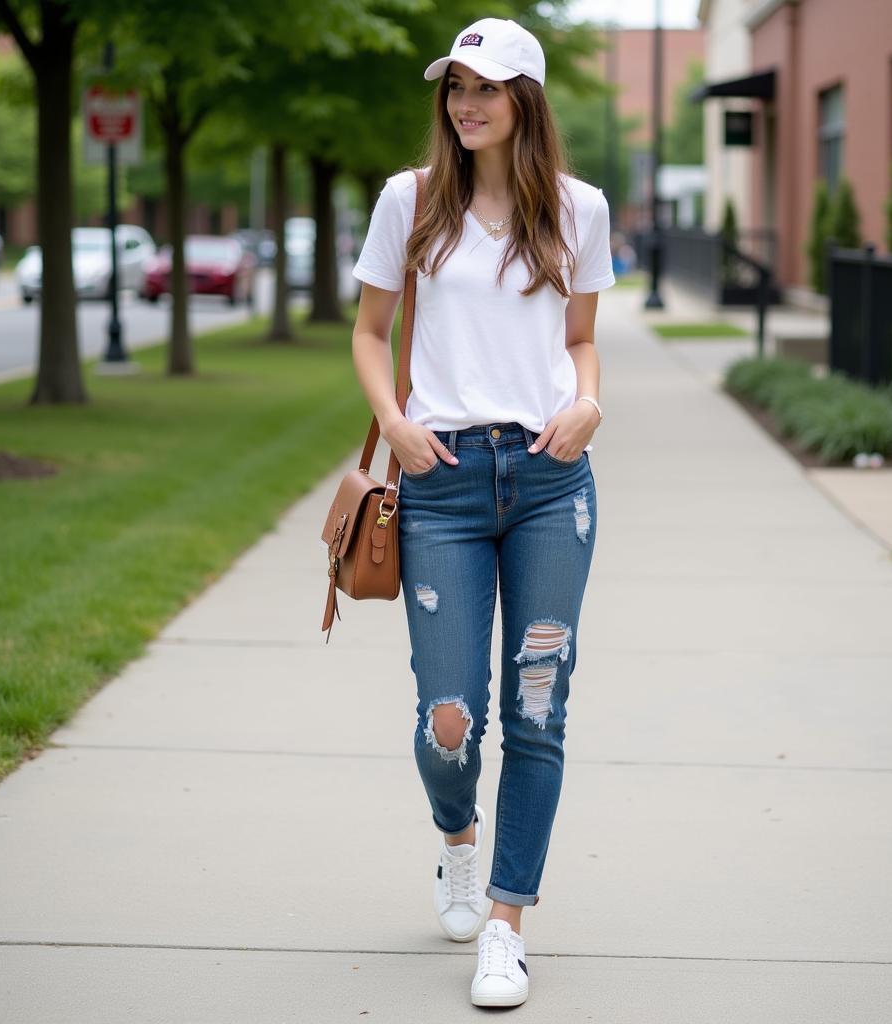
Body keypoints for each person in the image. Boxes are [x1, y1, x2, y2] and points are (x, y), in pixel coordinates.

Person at [350, 16, 615, 1008]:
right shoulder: (409, 201)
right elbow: (371, 332)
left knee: (539, 709)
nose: (465, 103)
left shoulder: (578, 209)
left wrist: (589, 401)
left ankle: (505, 925)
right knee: (450, 718)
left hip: (550, 479)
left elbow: (580, 340)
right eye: (455, 87)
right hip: (444, 481)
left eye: (486, 88)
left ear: (525, 102)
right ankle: (457, 840)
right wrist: (394, 421)